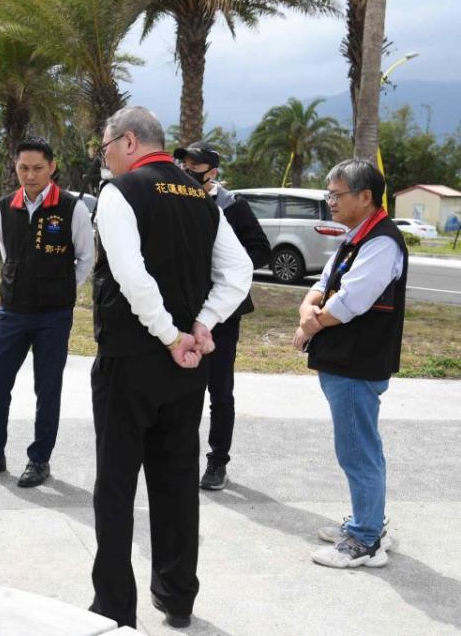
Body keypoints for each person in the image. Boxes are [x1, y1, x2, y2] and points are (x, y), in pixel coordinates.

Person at [89, 107, 253, 629]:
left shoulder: (121, 192)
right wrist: (202, 326)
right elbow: (239, 271)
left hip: (133, 357)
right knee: (178, 481)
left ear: (130, 142)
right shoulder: (201, 197)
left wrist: (170, 333)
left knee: (116, 482)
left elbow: (131, 276)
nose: (105, 157)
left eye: (106, 146)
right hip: (187, 367)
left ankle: (115, 607)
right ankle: (177, 596)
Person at [292, 159, 406, 569]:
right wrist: (309, 307)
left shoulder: (382, 241)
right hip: (342, 359)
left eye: (336, 195)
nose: (330, 201)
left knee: (357, 450)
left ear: (365, 197)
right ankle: (368, 522)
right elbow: (324, 283)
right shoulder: (355, 237)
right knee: (359, 446)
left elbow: (350, 301)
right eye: (329, 194)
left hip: (358, 363)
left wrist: (313, 320)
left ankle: (364, 541)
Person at [0, 137, 93, 488]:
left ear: (51, 167)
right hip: (12, 312)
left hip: (54, 316)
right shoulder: (6, 206)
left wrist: (61, 291)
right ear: (15, 167)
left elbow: (86, 259)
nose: (30, 175)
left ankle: (39, 460)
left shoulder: (71, 208)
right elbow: (8, 253)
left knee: (46, 388)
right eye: (23, 168)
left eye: (37, 168)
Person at [174, 143, 270, 491]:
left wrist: (227, 267)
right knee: (182, 388)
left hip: (224, 314)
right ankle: (181, 458)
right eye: (183, 164)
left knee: (219, 389)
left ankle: (217, 462)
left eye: (194, 166)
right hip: (185, 308)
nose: (186, 170)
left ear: (211, 173)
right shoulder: (177, 200)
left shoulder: (233, 206)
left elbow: (261, 250)